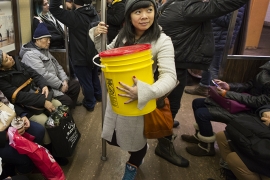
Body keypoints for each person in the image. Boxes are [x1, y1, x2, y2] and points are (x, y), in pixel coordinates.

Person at [90, 0, 189, 178]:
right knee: (113, 137)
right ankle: (138, 154)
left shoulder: (162, 40)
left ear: (155, 12)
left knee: (136, 140)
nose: (144, 16)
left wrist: (144, 92)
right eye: (138, 12)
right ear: (129, 16)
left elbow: (169, 76)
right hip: (117, 96)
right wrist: (98, 35)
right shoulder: (123, 35)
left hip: (140, 98)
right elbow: (107, 54)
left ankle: (133, 163)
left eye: (149, 10)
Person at [157, 0, 249, 128]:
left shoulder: (173, 3)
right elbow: (233, 3)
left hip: (170, 58)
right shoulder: (188, 8)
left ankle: (165, 122)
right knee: (172, 102)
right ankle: (164, 138)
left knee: (165, 98)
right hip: (175, 62)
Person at [181, 60, 270, 156]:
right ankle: (201, 136)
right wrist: (229, 86)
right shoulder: (266, 68)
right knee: (197, 102)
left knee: (202, 113)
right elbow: (250, 84)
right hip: (244, 103)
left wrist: (227, 94)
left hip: (253, 113)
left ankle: (206, 147)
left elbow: (260, 102)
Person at [0, 50, 69, 165]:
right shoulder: (2, 80)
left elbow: (35, 74)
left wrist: (44, 85)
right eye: (6, 59)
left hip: (38, 94)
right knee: (43, 122)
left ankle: (63, 143)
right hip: (25, 106)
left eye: (7, 55)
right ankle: (52, 153)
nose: (10, 58)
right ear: (1, 68)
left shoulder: (18, 62)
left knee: (59, 106)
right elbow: (19, 97)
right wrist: (43, 101)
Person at [50, 0, 102, 112]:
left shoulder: (74, 17)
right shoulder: (94, 13)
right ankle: (98, 95)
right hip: (93, 52)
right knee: (94, 77)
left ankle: (90, 103)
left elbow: (53, 8)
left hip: (80, 55)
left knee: (86, 81)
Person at [185, 6, 246, 97]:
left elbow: (229, 21)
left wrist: (210, 12)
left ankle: (214, 94)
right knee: (207, 64)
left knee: (214, 68)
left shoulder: (236, 3)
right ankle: (203, 87)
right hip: (214, 37)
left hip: (220, 39)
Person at [20, 23, 80, 109]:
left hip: (57, 82)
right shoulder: (30, 55)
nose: (49, 42)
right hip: (46, 87)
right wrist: (60, 85)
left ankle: (68, 110)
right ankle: (64, 111)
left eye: (49, 39)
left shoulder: (44, 50)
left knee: (75, 85)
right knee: (68, 101)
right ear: (37, 40)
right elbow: (43, 75)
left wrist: (64, 80)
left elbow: (57, 65)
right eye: (46, 39)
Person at [216, 105, 270, 180]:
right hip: (263, 133)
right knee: (222, 136)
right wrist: (265, 111)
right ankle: (230, 175)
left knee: (234, 159)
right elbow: (265, 104)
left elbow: (257, 100)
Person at [0, 90, 45, 178]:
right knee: (24, 156)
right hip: (1, 138)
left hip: (9, 122)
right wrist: (6, 136)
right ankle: (21, 173)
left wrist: (22, 115)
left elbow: (8, 103)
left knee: (38, 131)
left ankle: (30, 165)